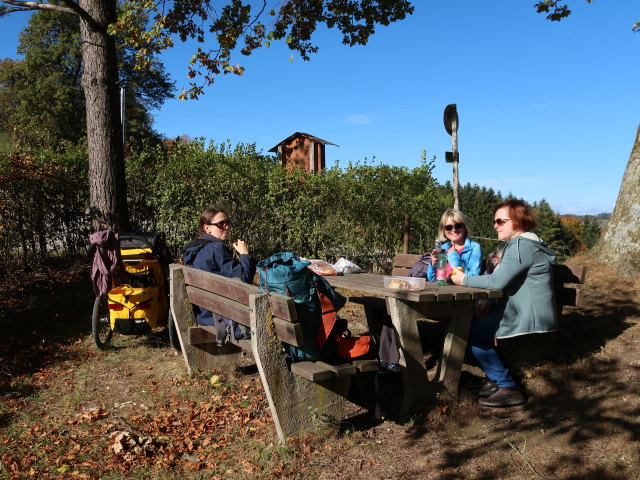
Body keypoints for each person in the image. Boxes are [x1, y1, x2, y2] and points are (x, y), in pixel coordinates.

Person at [451, 199, 557, 407]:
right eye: (494, 221)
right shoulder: (524, 244)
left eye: (501, 221)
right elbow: (504, 283)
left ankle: (508, 387)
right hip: (524, 312)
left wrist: (463, 280)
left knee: (473, 335)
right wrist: (487, 302)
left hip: (530, 318)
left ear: (517, 221)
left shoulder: (521, 245)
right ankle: (494, 377)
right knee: (470, 328)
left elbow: (497, 281)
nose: (495, 225)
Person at [182, 205, 257, 343]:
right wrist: (245, 254)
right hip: (221, 316)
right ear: (207, 228)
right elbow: (244, 279)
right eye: (221, 224)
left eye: (227, 223)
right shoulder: (216, 248)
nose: (226, 227)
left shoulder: (195, 249)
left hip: (204, 313)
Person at [425, 209, 482, 282]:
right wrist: (433, 264)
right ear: (443, 230)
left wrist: (454, 257)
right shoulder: (443, 248)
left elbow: (474, 276)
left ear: (464, 228)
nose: (454, 230)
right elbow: (432, 279)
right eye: (448, 227)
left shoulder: (474, 248)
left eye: (458, 226)